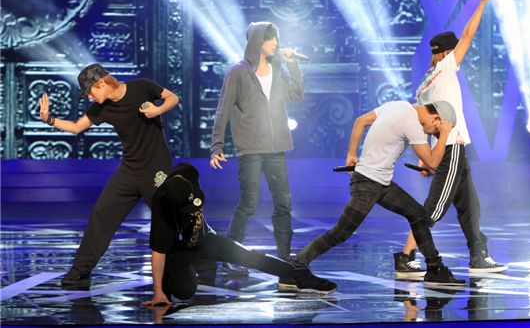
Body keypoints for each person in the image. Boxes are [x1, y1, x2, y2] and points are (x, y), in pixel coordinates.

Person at [395, 0, 507, 274]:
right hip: (452, 147)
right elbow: (469, 33)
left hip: (446, 147)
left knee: (470, 207)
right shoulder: (445, 68)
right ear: (445, 53)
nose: (459, 53)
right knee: (433, 208)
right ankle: (405, 256)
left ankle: (478, 256)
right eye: (454, 50)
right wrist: (482, 2)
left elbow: (421, 124)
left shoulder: (423, 85)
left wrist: (423, 156)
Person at [292, 100, 465, 285]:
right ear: (436, 119)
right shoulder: (411, 123)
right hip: (369, 184)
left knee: (417, 214)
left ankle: (435, 268)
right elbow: (432, 163)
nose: (434, 134)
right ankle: (297, 265)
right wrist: (446, 133)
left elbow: (360, 121)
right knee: (341, 232)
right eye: (437, 131)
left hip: (379, 182)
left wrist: (351, 154)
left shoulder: (398, 105)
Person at [39, 63, 179, 290]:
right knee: (102, 214)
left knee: (175, 219)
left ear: (101, 82)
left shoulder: (142, 87)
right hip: (129, 170)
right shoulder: (101, 108)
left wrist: (157, 110)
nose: (90, 97)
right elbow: (76, 127)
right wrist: (49, 119)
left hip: (156, 169)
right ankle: (80, 271)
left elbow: (173, 97)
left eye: (91, 91)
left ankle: (202, 264)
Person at [142, 163, 337, 307]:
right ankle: (176, 275)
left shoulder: (188, 173)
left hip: (206, 238)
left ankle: (300, 276)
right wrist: (159, 292)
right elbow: (158, 252)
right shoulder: (162, 209)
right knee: (185, 292)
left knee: (249, 255)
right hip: (180, 251)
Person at [210, 22, 304, 273]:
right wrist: (216, 145)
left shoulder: (278, 68)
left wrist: (293, 66)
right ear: (257, 41)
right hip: (250, 148)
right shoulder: (238, 72)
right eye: (270, 38)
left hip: (276, 147)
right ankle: (231, 254)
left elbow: (297, 94)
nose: (275, 43)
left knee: (284, 203)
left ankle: (285, 257)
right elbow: (224, 108)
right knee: (249, 202)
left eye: (276, 38)